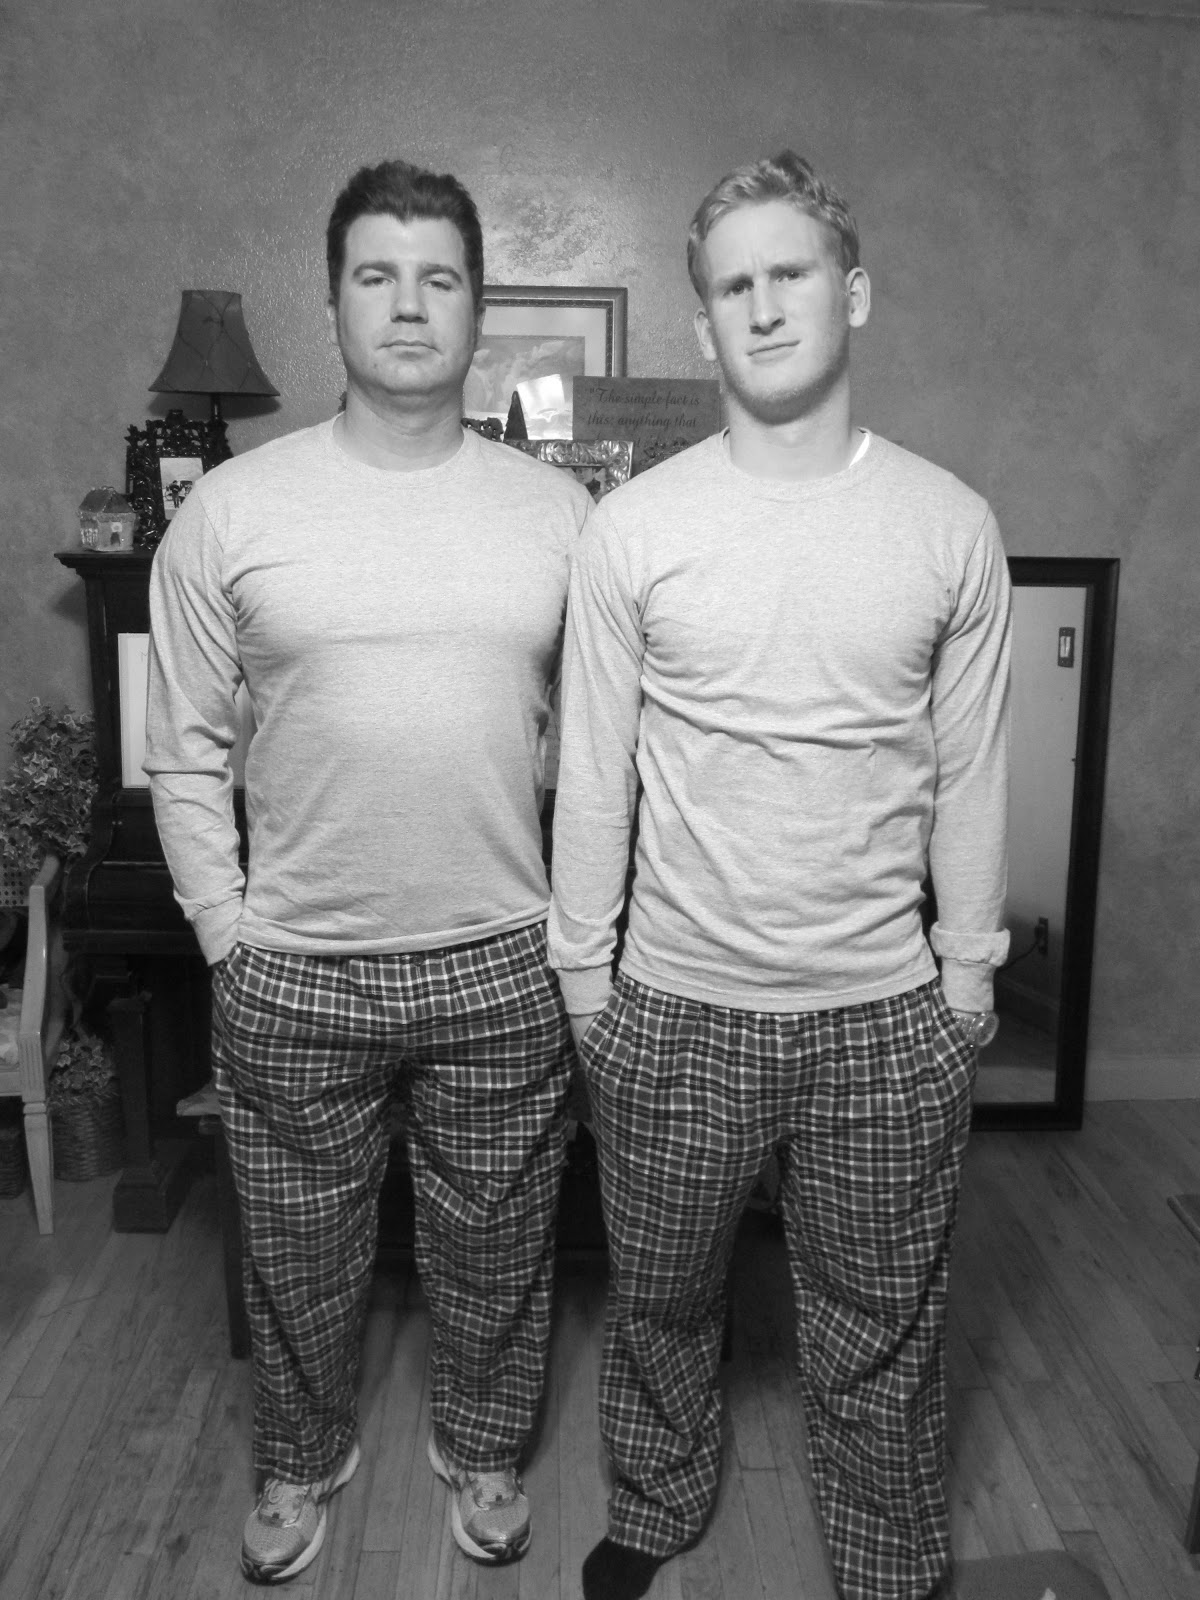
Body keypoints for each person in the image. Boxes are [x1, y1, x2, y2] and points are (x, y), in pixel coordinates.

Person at [548, 151, 1011, 1600]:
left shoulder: (949, 524)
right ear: (705, 325)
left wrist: (969, 978)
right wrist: (584, 980)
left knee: (883, 1320)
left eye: (790, 273)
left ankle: (887, 1555)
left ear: (851, 294)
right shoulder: (632, 530)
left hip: (884, 1013)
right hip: (675, 1007)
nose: (762, 306)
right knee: (663, 1299)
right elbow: (595, 771)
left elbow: (973, 768)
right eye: (734, 285)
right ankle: (656, 1501)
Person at [145, 158, 591, 1585]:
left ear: (476, 309)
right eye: (378, 275)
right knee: (294, 1252)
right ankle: (299, 1459)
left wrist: (582, 937)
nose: (409, 304)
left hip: (502, 955)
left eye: (439, 277)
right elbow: (181, 746)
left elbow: (604, 751)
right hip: (294, 962)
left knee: (501, 1244)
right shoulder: (233, 510)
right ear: (334, 298)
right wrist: (225, 930)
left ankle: (485, 1449)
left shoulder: (559, 516)